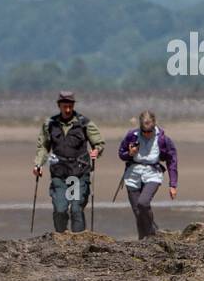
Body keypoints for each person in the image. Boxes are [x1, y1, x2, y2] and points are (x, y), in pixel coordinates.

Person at [33, 91, 104, 233]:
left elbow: (99, 143)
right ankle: (61, 238)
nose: (67, 110)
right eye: (64, 106)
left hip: (79, 172)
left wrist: (97, 150)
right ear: (59, 106)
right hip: (59, 173)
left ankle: (78, 241)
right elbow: (43, 146)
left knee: (76, 208)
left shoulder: (84, 123)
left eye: (70, 106)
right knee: (60, 209)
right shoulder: (49, 125)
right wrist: (38, 164)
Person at [118, 110, 178, 239]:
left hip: (153, 173)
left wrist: (173, 184)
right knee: (138, 212)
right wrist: (130, 153)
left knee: (143, 203)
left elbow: (172, 160)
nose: (146, 134)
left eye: (149, 131)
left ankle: (151, 232)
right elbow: (121, 154)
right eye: (144, 131)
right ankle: (143, 240)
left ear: (154, 125)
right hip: (133, 175)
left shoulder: (163, 139)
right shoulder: (132, 135)